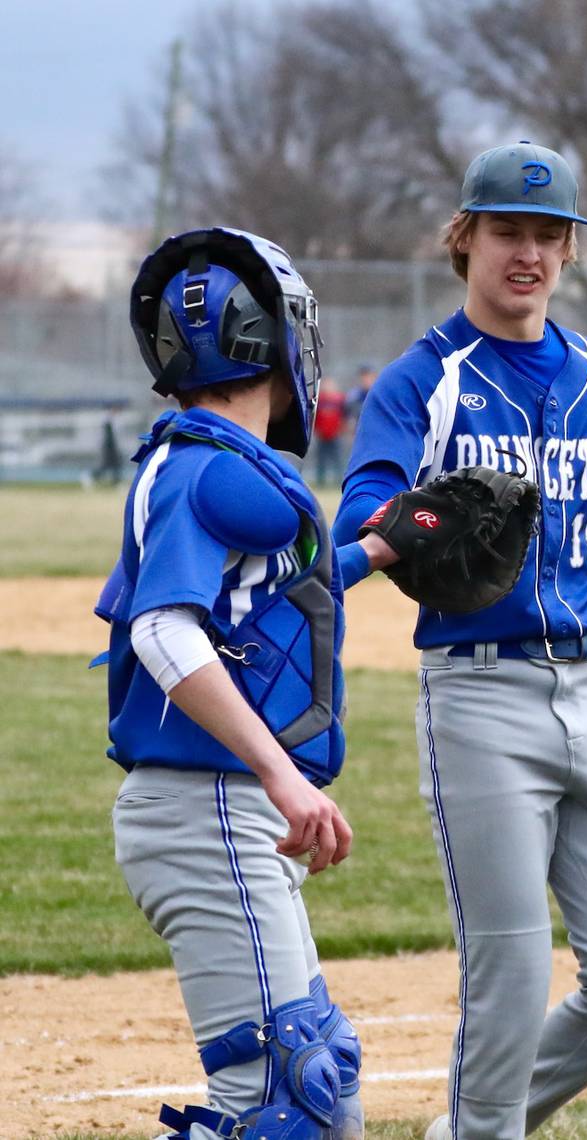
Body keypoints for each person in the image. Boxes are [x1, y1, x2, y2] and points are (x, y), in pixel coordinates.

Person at [331, 142, 587, 1138]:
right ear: (464, 239)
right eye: (505, 231)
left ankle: (466, 1130)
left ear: (567, 253)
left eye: (545, 234)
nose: (525, 252)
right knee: (509, 982)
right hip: (479, 700)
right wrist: (402, 531)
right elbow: (364, 512)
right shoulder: (420, 382)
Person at [94, 227, 395, 1140]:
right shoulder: (203, 469)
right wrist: (281, 773)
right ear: (275, 339)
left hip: (216, 815)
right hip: (208, 812)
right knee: (281, 1101)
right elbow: (161, 628)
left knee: (321, 1087)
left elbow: (262, 598)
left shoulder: (210, 465)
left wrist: (379, 548)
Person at [312, 376, 347, 486]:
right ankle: (320, 482)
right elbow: (315, 417)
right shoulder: (320, 400)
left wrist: (341, 429)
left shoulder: (340, 399)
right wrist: (317, 430)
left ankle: (339, 481)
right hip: (322, 435)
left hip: (335, 434)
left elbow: (344, 415)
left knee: (337, 459)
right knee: (321, 460)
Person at [344, 363, 378, 430]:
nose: (366, 380)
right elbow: (348, 417)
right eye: (363, 377)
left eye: (368, 376)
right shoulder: (353, 396)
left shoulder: (379, 395)